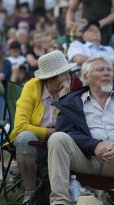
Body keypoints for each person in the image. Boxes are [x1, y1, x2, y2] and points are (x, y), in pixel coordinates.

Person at [48, 56, 114, 205]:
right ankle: (59, 202)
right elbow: (66, 131)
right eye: (100, 70)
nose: (107, 73)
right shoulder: (71, 102)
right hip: (85, 159)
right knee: (57, 138)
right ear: (86, 78)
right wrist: (95, 145)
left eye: (109, 70)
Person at [9, 50, 76, 204]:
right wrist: (51, 132)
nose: (69, 77)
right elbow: (20, 127)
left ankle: (65, 192)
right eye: (65, 73)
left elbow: (73, 126)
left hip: (61, 144)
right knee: (25, 137)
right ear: (52, 78)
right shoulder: (31, 87)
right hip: (33, 143)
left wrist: (64, 99)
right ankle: (30, 193)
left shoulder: (70, 90)